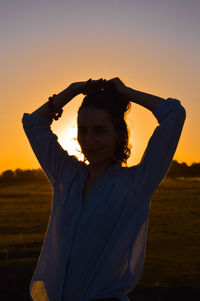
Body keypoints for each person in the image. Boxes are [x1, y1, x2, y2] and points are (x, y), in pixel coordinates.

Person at [22, 78, 186, 301]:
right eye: (83, 130)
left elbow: (174, 114)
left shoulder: (137, 183)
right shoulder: (66, 175)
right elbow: (34, 123)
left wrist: (127, 93)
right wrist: (73, 90)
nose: (89, 141)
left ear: (118, 134)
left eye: (100, 130)